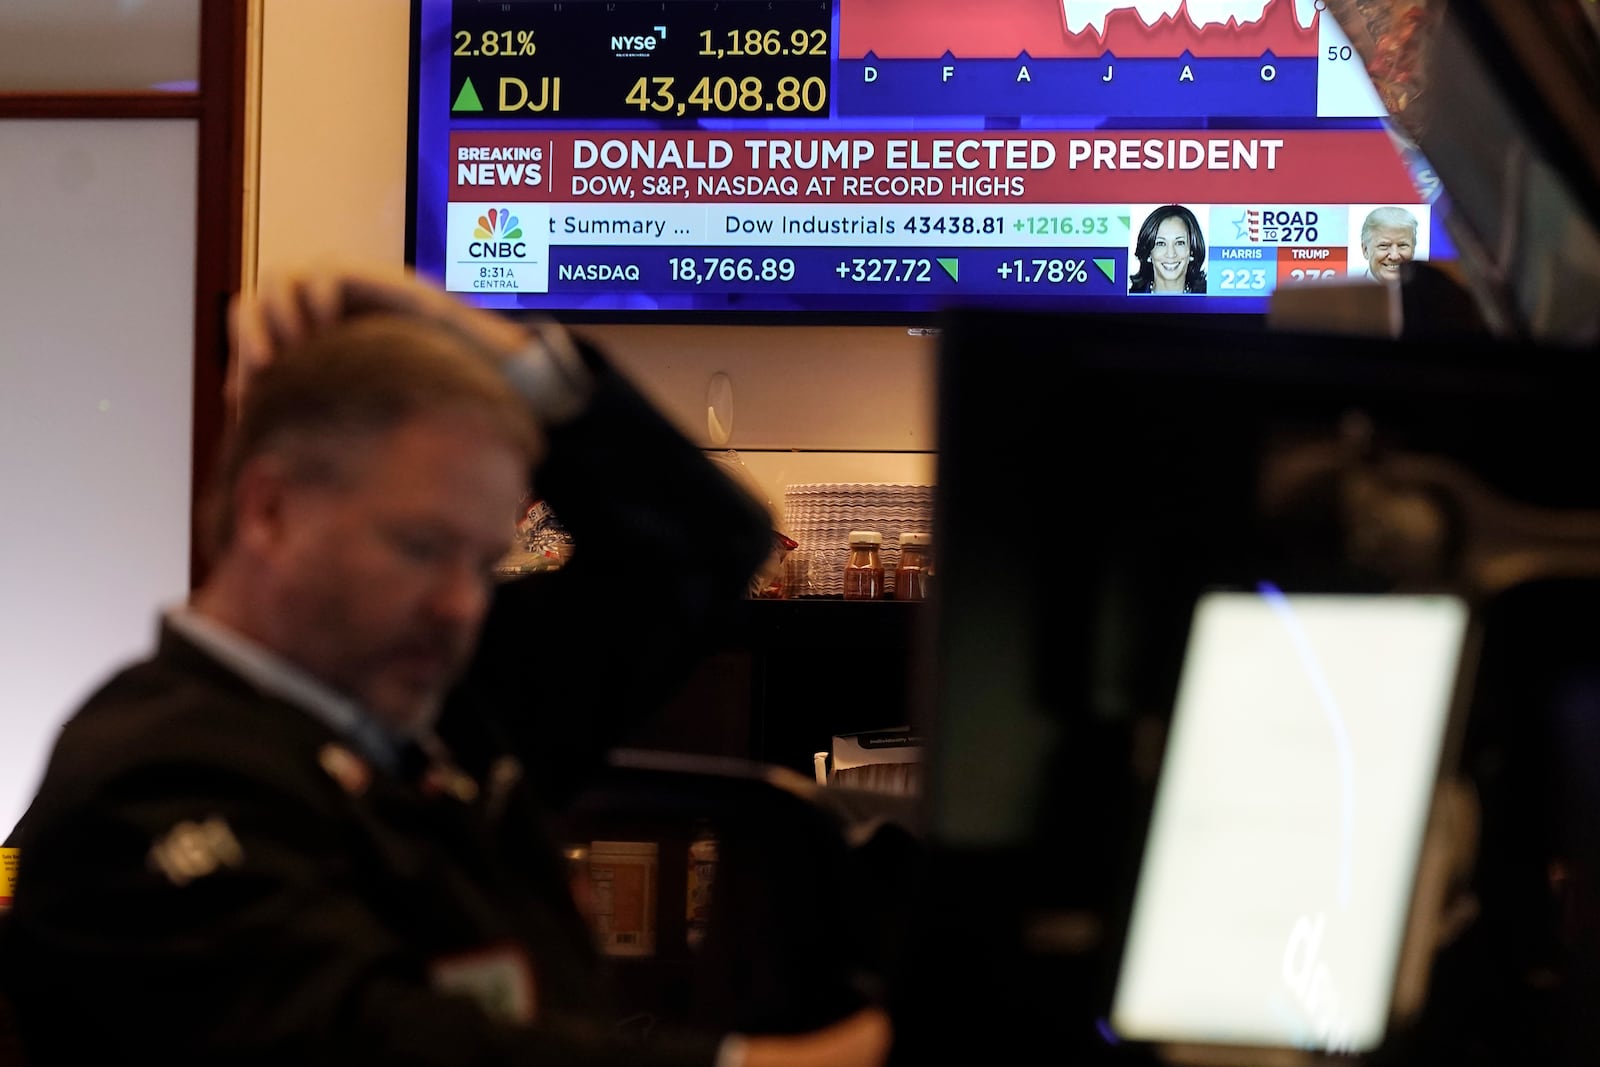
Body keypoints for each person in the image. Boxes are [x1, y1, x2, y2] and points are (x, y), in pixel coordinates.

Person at [0, 266, 893, 1067]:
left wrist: (496, 350)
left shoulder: (436, 697)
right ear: (268, 510)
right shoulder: (141, 785)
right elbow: (371, 1044)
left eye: (478, 559)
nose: (462, 603)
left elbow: (700, 547)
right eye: (421, 546)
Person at [1128, 204, 1207, 294]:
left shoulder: (1212, 300)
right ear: (1148, 253)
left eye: (1179, 243)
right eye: (1161, 243)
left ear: (1192, 251)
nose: (1171, 254)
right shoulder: (1127, 302)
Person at [1360, 206, 1418, 283]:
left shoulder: (1431, 293)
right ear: (1365, 250)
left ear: (1413, 249)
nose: (1394, 256)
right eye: (1384, 246)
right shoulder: (1345, 294)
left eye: (1402, 245)